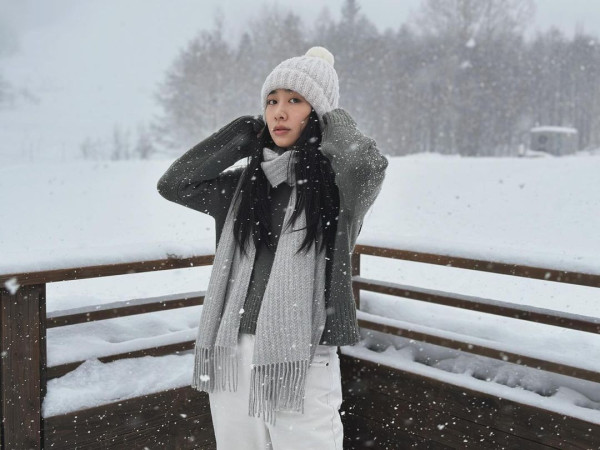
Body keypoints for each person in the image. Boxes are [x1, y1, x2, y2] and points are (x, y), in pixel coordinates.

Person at [157, 46, 388, 449]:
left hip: (302, 352)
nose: (279, 112)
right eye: (271, 101)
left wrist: (333, 118)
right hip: (232, 347)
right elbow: (175, 183)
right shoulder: (244, 187)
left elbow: (364, 166)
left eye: (295, 101)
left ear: (316, 114)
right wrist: (240, 136)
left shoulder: (336, 192)